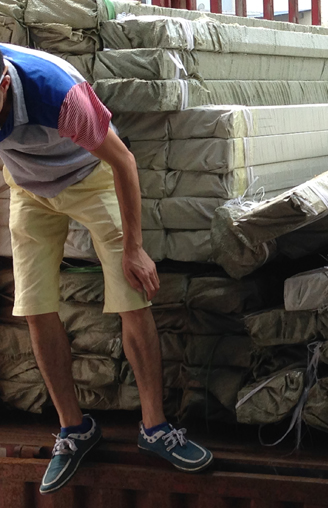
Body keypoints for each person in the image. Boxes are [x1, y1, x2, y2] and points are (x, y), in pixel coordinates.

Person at [0, 43, 213, 494]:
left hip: (89, 175)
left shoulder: (59, 96)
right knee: (34, 305)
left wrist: (134, 248)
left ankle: (155, 428)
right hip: (27, 185)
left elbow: (124, 162)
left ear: (3, 85)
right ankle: (74, 429)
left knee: (131, 292)